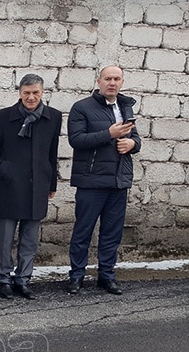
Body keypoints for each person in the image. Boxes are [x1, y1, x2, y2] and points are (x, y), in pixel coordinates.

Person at [67, 66, 141, 295]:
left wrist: (133, 145)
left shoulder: (125, 106)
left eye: (117, 79)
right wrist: (108, 134)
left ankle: (106, 276)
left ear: (122, 82)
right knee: (83, 232)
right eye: (108, 78)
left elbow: (135, 138)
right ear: (99, 81)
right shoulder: (82, 108)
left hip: (119, 181)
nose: (112, 83)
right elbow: (76, 140)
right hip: (91, 181)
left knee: (112, 233)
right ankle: (76, 276)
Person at [0, 74, 61, 300]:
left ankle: (23, 278)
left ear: (42, 93)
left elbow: (52, 152)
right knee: (5, 239)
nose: (31, 97)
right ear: (20, 93)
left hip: (37, 186)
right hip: (9, 186)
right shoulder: (3, 117)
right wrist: (6, 171)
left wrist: (51, 182)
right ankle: (3, 278)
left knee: (30, 238)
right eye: (27, 93)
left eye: (35, 93)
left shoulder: (53, 117)